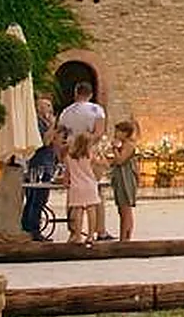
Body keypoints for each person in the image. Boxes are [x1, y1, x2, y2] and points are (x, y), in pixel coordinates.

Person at [57, 83, 114, 240]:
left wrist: (62, 152)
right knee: (94, 196)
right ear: (90, 94)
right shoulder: (96, 110)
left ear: (76, 93)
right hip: (88, 152)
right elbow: (99, 132)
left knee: (73, 197)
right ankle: (99, 231)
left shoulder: (66, 112)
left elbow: (60, 134)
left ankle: (74, 232)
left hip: (70, 152)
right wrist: (86, 144)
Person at [21, 101, 60, 240]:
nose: (50, 107)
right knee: (37, 198)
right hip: (39, 164)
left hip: (47, 162)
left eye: (50, 105)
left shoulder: (44, 122)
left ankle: (28, 227)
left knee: (36, 198)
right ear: (38, 108)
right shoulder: (38, 123)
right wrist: (53, 126)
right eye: (46, 105)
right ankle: (33, 229)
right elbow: (45, 141)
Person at [63, 131, 102, 246]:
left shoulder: (69, 156)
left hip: (76, 187)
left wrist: (66, 182)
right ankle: (90, 236)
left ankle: (78, 235)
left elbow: (67, 173)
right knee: (91, 210)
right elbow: (101, 165)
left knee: (78, 211)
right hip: (90, 185)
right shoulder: (90, 155)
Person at [107, 119, 141, 241]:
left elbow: (121, 160)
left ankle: (125, 238)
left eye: (118, 131)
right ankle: (124, 236)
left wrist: (115, 149)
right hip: (120, 177)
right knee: (121, 209)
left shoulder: (129, 145)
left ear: (125, 132)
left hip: (126, 178)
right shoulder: (123, 144)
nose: (115, 133)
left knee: (125, 209)